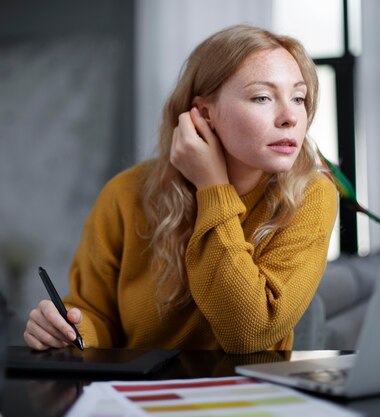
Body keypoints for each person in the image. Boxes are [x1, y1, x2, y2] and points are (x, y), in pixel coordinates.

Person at [24, 24, 338, 354]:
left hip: (251, 398)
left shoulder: (311, 195)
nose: (291, 117)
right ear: (204, 114)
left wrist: (213, 187)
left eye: (299, 98)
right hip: (145, 398)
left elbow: (249, 333)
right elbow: (97, 316)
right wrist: (67, 331)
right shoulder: (124, 194)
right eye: (262, 97)